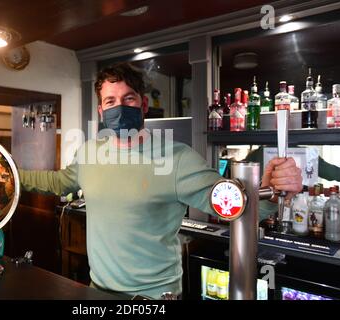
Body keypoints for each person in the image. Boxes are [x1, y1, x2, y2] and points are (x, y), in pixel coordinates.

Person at [19, 63, 302, 299]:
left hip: (154, 296)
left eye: (128, 98)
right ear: (101, 112)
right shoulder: (90, 151)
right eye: (110, 101)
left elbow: (232, 206)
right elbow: (59, 182)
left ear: (143, 105)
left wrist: (271, 192)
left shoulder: (177, 158)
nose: (120, 107)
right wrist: (9, 174)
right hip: (99, 291)